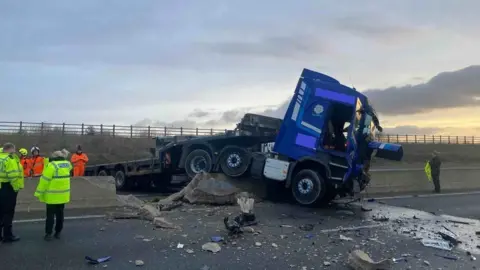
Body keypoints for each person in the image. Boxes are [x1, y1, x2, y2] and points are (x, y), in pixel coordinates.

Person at [34, 149, 72, 241]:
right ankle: (58, 232)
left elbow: (44, 181)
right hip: (63, 195)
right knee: (60, 215)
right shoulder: (67, 164)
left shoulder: (51, 166)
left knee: (50, 216)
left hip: (52, 196)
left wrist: (38, 192)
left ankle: (48, 234)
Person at [0, 142, 24, 242]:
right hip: (8, 187)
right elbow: (13, 176)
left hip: (1, 186)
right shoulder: (10, 159)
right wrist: (16, 188)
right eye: (13, 150)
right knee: (8, 212)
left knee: (0, 212)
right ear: (10, 149)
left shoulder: (1, 157)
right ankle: (8, 235)